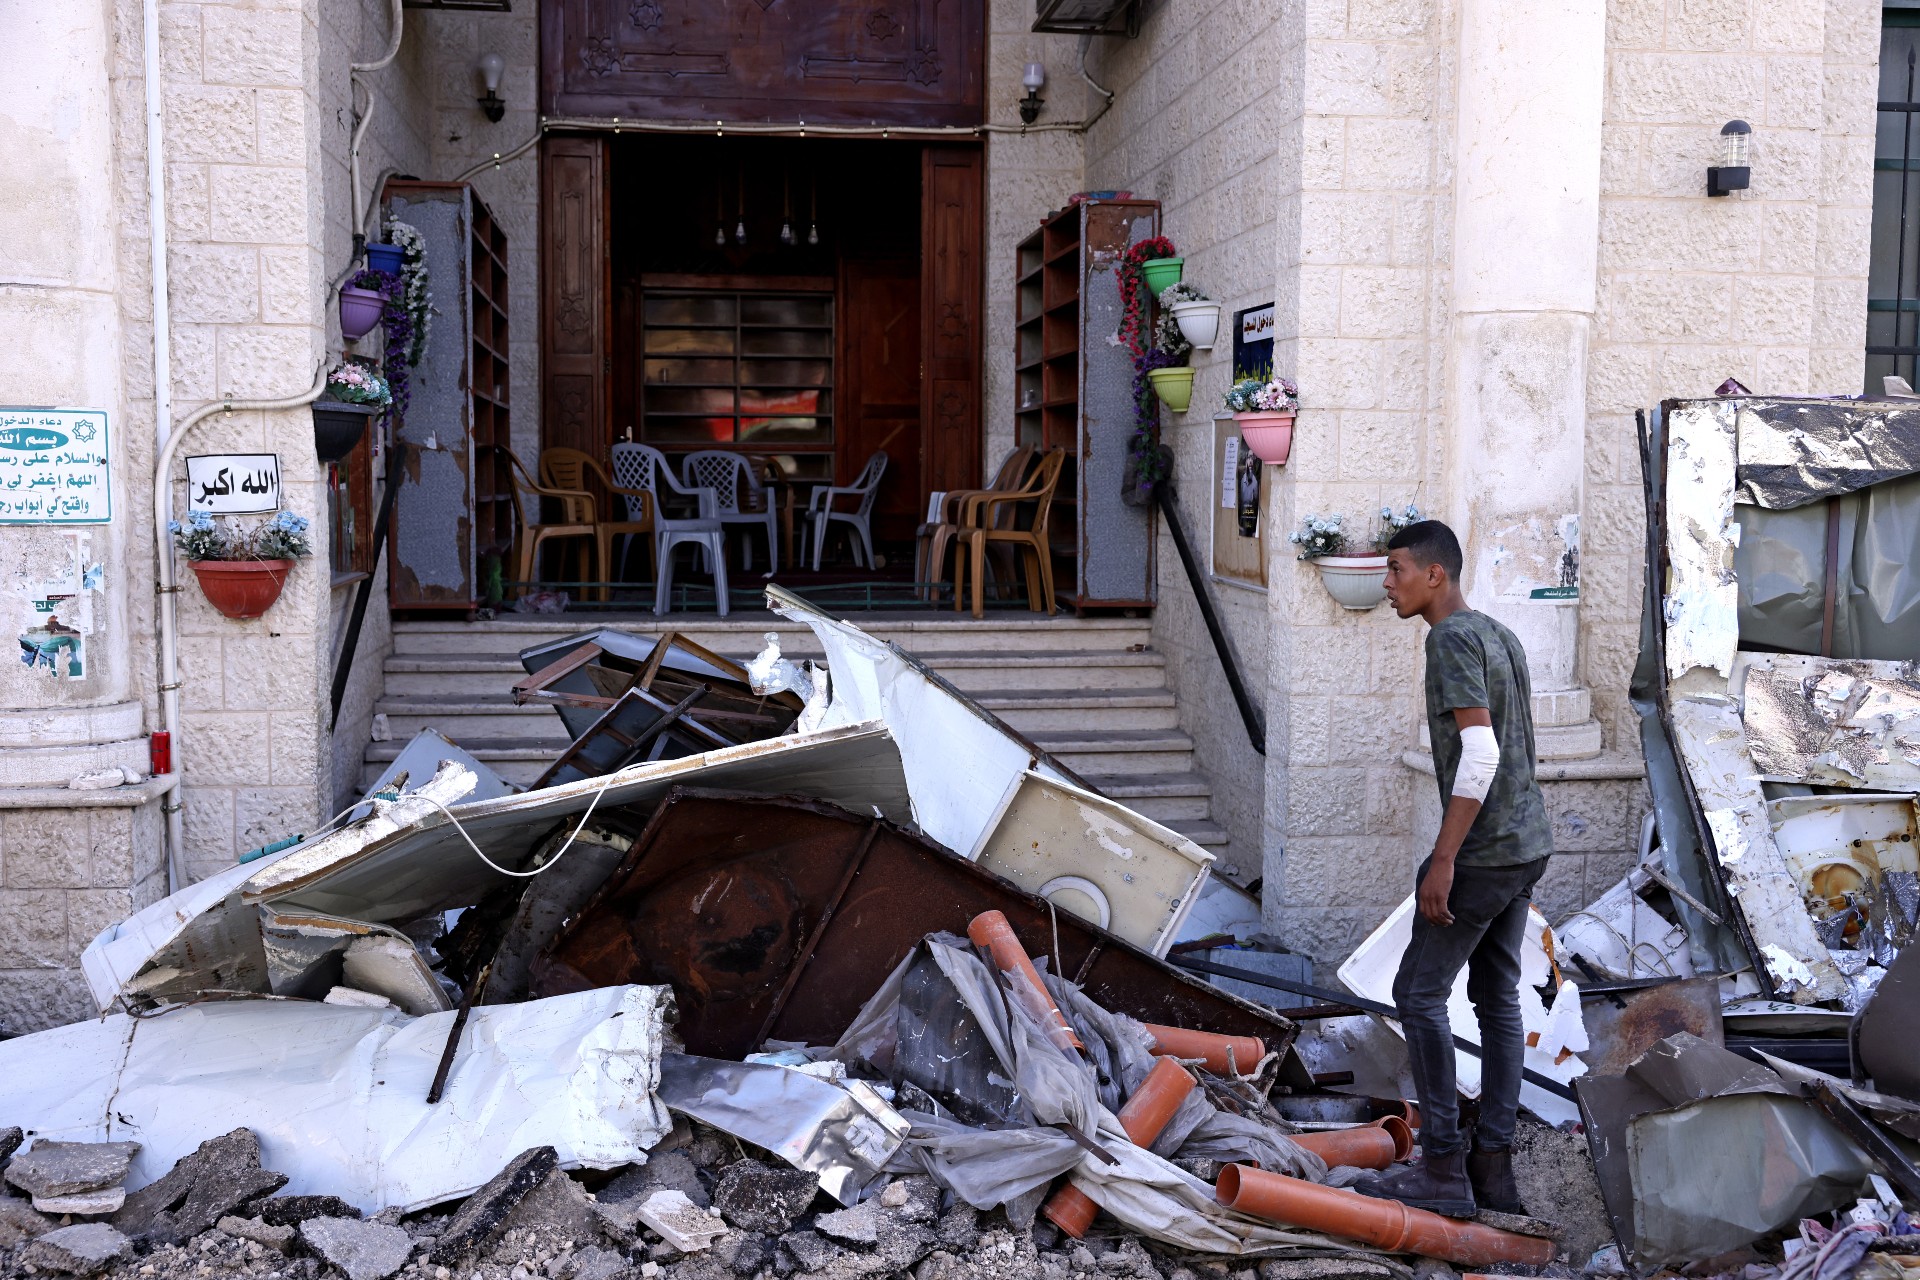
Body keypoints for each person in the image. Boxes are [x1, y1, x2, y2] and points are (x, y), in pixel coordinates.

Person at [1358, 519, 1553, 1220]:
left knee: (1417, 992)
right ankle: (1493, 1168)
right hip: (1527, 842)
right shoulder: (1497, 633)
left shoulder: (1449, 640)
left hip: (1487, 851)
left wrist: (1443, 859)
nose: (1388, 583)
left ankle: (1442, 1164)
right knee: (1496, 995)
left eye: (1397, 569)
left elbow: (1482, 754)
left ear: (1435, 574)